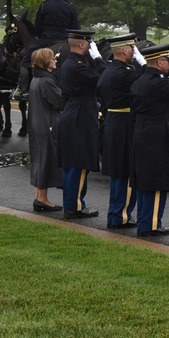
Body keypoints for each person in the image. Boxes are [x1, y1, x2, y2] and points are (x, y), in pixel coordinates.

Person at [130, 44, 169, 236]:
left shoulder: (140, 80)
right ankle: (152, 225)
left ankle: (144, 221)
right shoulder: (157, 83)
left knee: (145, 180)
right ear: (159, 62)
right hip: (155, 132)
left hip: (141, 130)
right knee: (157, 181)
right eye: (167, 61)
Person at [58, 29, 107, 219]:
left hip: (72, 113)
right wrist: (99, 60)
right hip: (80, 116)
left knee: (73, 164)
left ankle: (73, 204)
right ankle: (75, 207)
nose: (90, 47)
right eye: (89, 44)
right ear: (81, 44)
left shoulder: (67, 64)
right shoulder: (78, 66)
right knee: (79, 164)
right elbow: (104, 80)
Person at [97, 33, 144, 228]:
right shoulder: (125, 73)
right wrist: (143, 63)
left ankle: (116, 213)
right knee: (125, 172)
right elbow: (144, 83)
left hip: (113, 121)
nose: (134, 53)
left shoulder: (109, 70)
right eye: (133, 49)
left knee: (118, 172)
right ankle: (120, 216)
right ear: (125, 50)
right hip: (124, 123)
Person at [18, 0, 80, 97]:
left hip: (47, 39)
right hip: (65, 40)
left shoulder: (44, 6)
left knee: (25, 61)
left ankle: (24, 90)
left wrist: (41, 36)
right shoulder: (70, 7)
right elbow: (75, 27)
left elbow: (38, 28)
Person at [27, 48, 63, 212]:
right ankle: (42, 199)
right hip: (47, 124)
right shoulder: (47, 81)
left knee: (39, 160)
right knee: (45, 161)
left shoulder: (36, 79)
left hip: (38, 124)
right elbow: (59, 102)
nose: (55, 60)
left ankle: (39, 196)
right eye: (52, 59)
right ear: (45, 62)